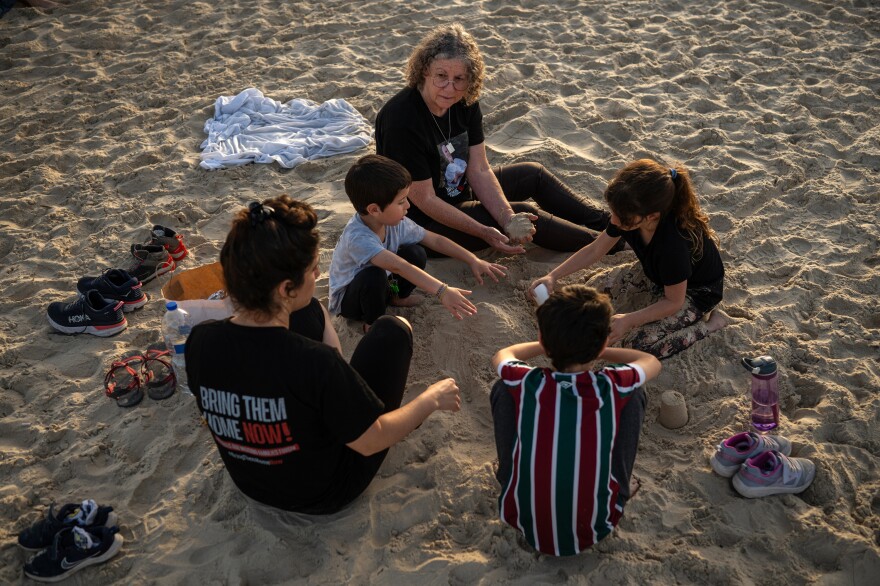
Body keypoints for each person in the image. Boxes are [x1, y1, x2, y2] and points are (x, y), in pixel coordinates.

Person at [185, 195, 461, 515]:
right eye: (314, 268)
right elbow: (372, 440)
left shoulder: (201, 338)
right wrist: (430, 399)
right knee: (393, 332)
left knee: (312, 311)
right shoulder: (315, 363)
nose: (318, 275)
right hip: (326, 491)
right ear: (286, 288)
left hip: (250, 481)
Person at [375, 23, 616, 254]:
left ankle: (611, 223)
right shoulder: (401, 119)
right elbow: (425, 200)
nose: (450, 88)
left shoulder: (464, 102)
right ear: (424, 71)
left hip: (458, 191)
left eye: (459, 79)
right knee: (525, 214)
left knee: (533, 174)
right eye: (441, 76)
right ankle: (610, 245)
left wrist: (505, 217)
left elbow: (479, 170)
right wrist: (487, 230)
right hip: (421, 222)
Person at [490, 284, 661, 556]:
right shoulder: (611, 384)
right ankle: (622, 486)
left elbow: (503, 355)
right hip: (597, 525)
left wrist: (551, 342)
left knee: (502, 388)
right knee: (634, 394)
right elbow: (649, 361)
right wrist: (597, 349)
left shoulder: (526, 381)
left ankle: (509, 475)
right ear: (603, 342)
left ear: (544, 342)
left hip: (520, 516)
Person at [530, 159, 727, 359]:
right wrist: (553, 276)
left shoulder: (672, 245)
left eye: (622, 218)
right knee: (593, 288)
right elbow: (596, 249)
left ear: (651, 217)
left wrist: (629, 320)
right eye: (614, 213)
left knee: (638, 345)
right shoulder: (628, 214)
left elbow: (673, 301)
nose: (614, 221)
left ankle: (711, 325)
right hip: (657, 274)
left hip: (695, 292)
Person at [329, 154, 507, 326]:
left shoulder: (394, 222)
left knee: (416, 252)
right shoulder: (357, 237)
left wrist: (472, 259)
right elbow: (398, 266)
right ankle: (373, 323)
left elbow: (434, 240)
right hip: (352, 301)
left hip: (384, 282)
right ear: (374, 209)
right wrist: (442, 291)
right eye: (401, 202)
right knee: (372, 276)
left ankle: (397, 297)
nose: (408, 206)